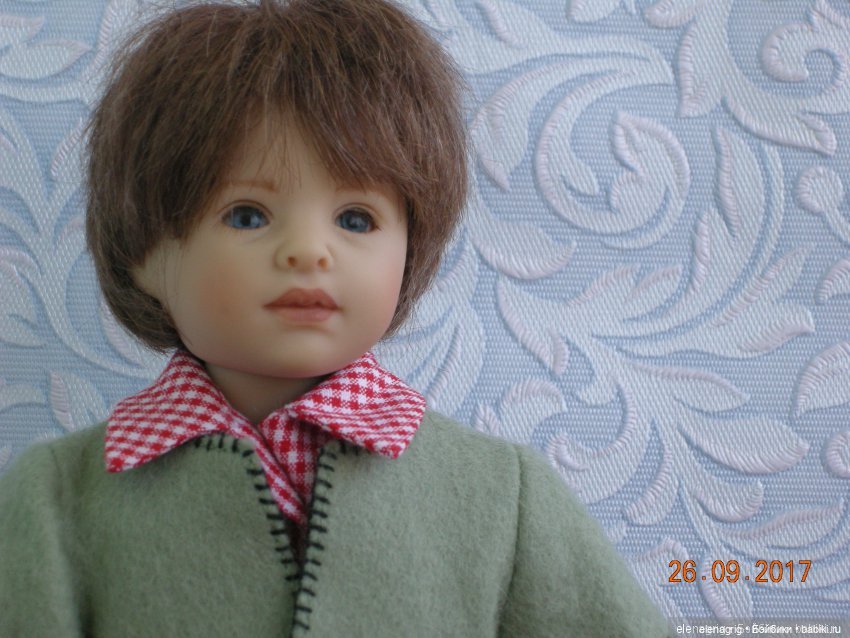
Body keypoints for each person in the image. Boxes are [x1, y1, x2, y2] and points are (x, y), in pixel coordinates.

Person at [0, 1, 672, 636]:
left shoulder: (501, 498)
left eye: (356, 219)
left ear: (411, 252)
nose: (308, 252)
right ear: (146, 252)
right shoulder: (56, 500)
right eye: (247, 215)